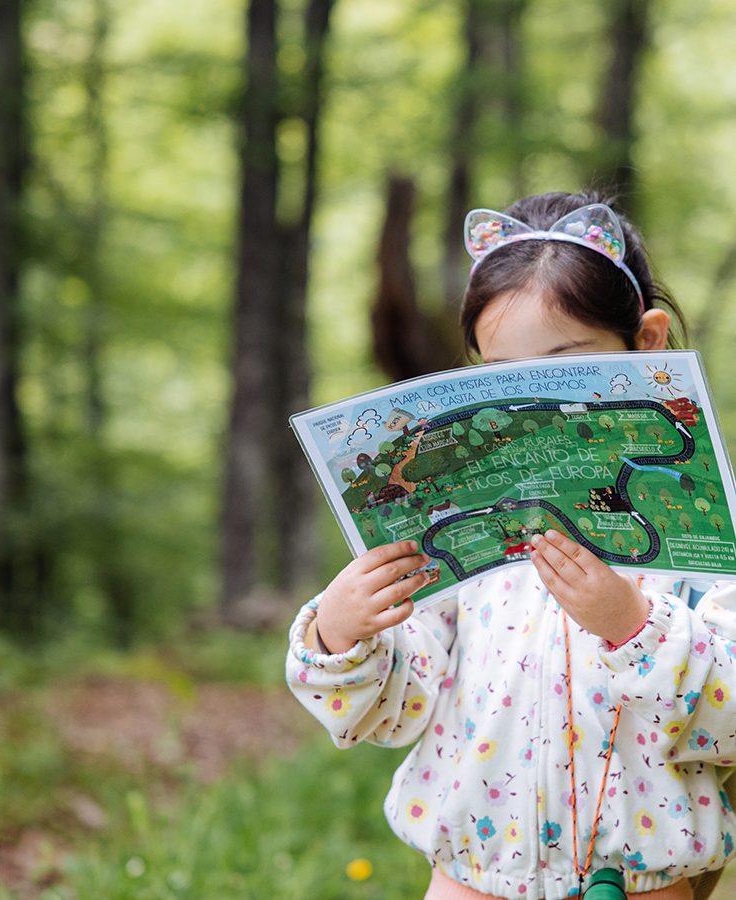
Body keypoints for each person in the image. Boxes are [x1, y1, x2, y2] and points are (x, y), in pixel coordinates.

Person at [285, 191, 736, 900]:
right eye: (502, 374)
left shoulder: (699, 536)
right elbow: (395, 707)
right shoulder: (461, 542)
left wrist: (633, 627)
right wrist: (341, 631)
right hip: (471, 875)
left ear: (644, 344)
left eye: (566, 365)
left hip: (639, 878)